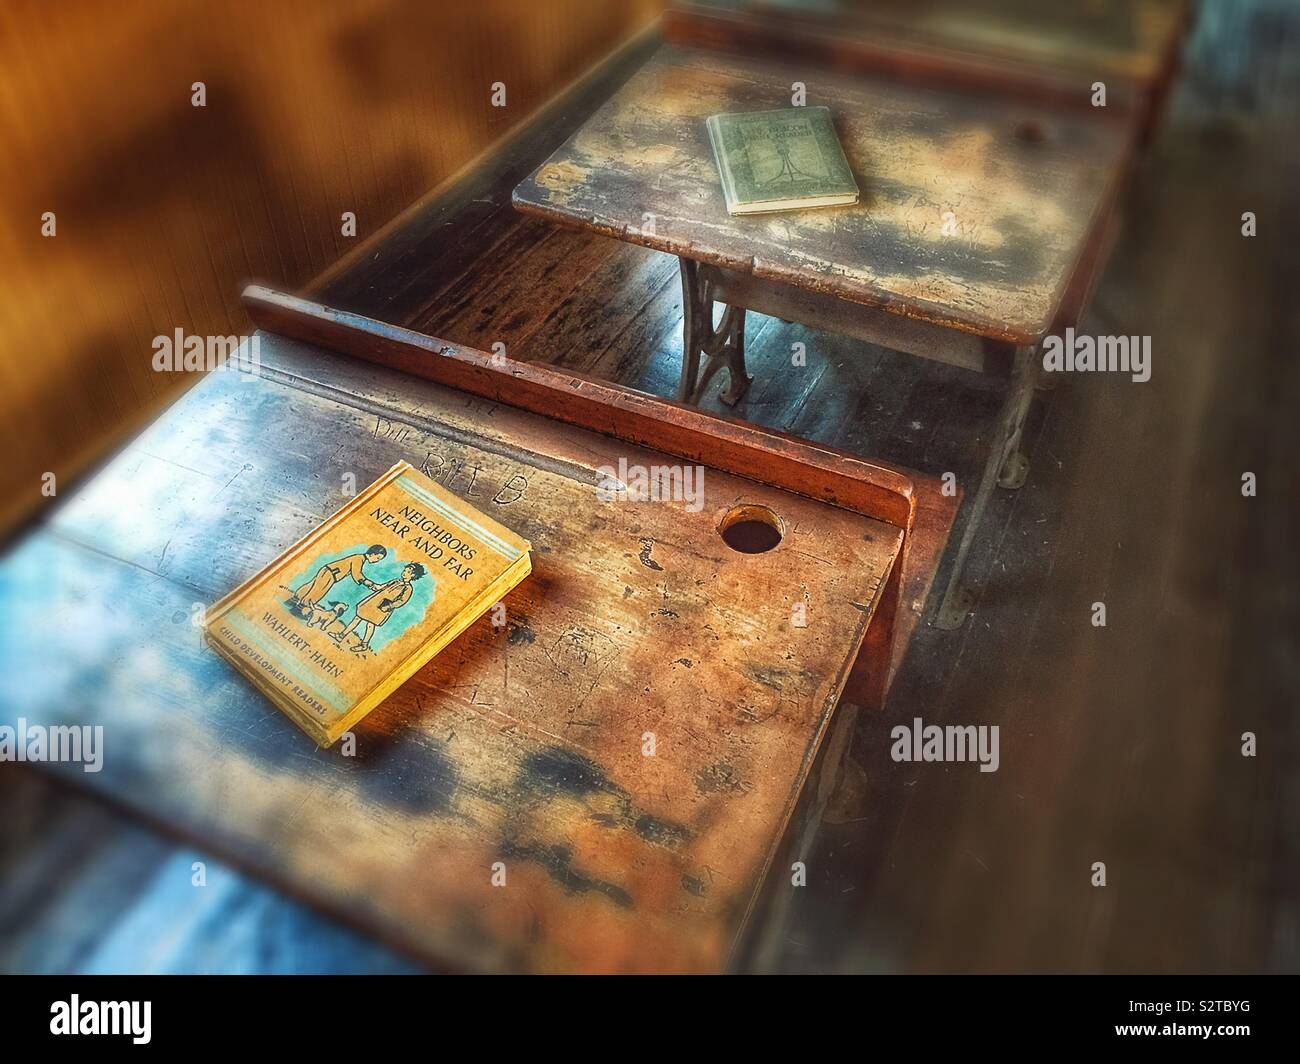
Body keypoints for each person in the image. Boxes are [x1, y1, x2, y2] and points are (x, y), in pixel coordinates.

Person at [332, 562, 427, 652]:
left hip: (383, 607)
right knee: (357, 618)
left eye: (408, 572)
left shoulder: (408, 588)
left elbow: (401, 601)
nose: (405, 573)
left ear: (413, 576)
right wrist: (372, 585)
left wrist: (390, 605)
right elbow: (381, 587)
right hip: (373, 601)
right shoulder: (395, 581)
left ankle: (364, 644)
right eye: (405, 571)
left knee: (370, 624)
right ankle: (341, 635)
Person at [293, 545, 386, 610]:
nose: (376, 561)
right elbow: (357, 574)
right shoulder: (358, 559)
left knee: (312, 586)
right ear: (372, 554)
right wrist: (372, 584)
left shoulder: (359, 558)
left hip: (328, 570)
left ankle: (296, 598)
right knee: (318, 591)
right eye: (377, 558)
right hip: (331, 574)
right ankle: (301, 608)